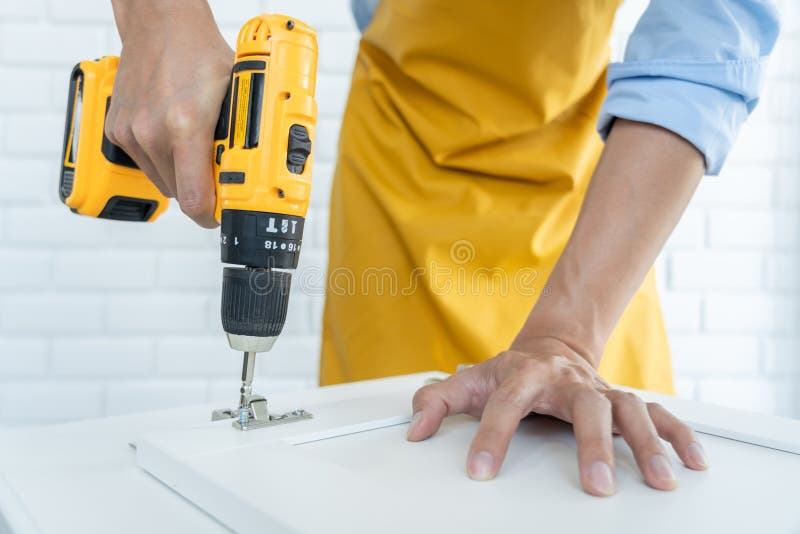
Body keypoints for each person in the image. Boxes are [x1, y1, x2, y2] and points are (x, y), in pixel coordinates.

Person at [105, 0, 780, 497]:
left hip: (589, 205)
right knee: (387, 481)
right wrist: (160, 16)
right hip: (400, 162)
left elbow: (705, 51)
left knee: (584, 481)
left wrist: (569, 336)